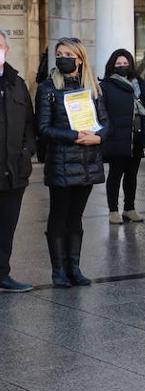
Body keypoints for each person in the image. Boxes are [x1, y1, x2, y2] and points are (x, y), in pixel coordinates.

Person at [36, 37, 108, 287]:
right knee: (59, 216)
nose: (63, 57)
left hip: (88, 160)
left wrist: (98, 138)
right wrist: (75, 136)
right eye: (59, 53)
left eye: (68, 53)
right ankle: (58, 272)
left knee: (76, 217)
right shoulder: (47, 88)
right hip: (61, 161)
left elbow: (105, 121)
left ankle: (74, 268)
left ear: (80, 58)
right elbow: (43, 128)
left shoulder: (93, 87)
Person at [99, 49, 145, 225]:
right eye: (118, 64)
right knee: (115, 175)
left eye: (125, 64)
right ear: (112, 66)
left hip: (136, 137)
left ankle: (129, 209)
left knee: (132, 174)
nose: (122, 67)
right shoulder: (106, 86)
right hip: (117, 137)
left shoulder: (138, 84)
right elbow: (102, 113)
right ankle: (113, 210)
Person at [0, 33, 36, 292]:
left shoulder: (18, 84)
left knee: (6, 228)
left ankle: (2, 274)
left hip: (14, 171)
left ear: (7, 49)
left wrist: (26, 151)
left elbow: (29, 124)